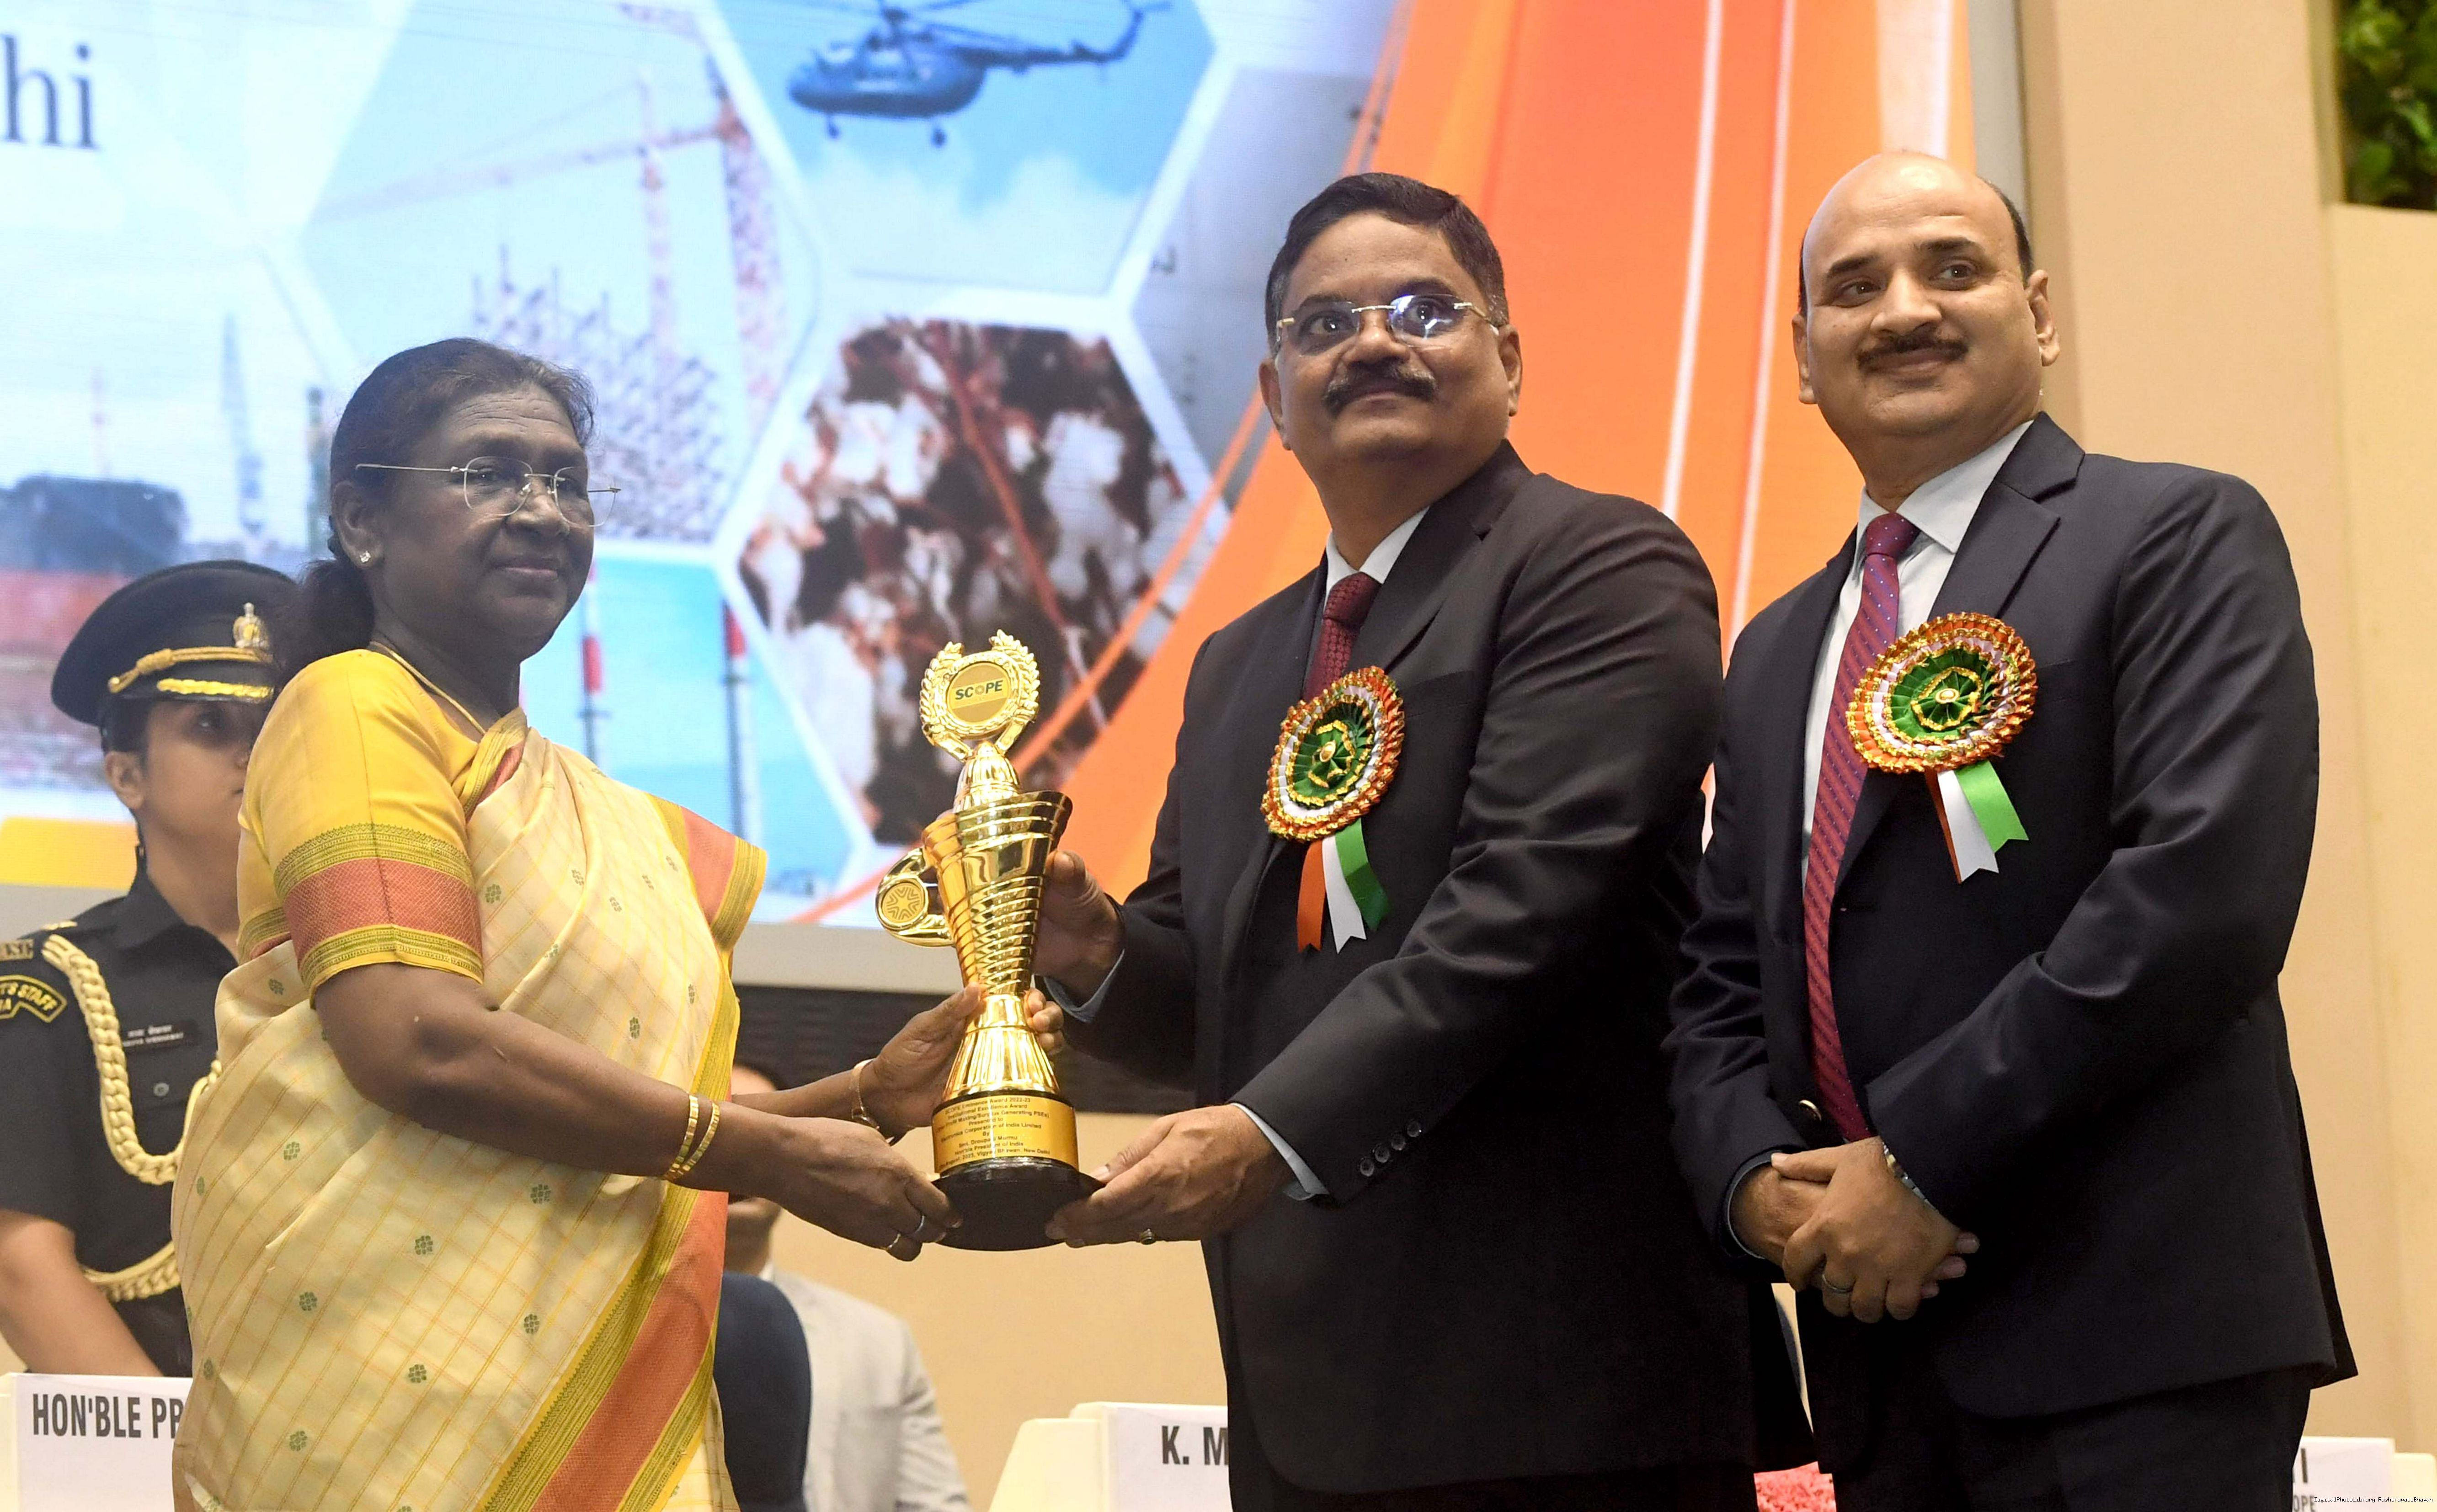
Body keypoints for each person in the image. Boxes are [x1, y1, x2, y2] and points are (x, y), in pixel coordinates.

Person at [1032, 173, 1806, 1511]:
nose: (1374, 342)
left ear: (1509, 359)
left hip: (1567, 1394)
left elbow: (1520, 914)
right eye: (1323, 324)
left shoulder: (1599, 567)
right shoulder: (1235, 664)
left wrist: (1264, 1132)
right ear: (1273, 397)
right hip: (1306, 1405)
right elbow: (1213, 1004)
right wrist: (1091, 948)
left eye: (1422, 310)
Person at [167, 338, 1013, 1512]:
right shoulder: (353, 703)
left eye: (566, 481)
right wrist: (766, 1153)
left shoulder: (601, 813)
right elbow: (417, 1041)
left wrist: (861, 1098)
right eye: (487, 473)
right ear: (363, 517)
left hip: (554, 1390)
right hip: (391, 1409)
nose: (540, 511)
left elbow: (596, 1135)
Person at [1664, 152, 2352, 1511]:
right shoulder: (1777, 647)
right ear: (1800, 355)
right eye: (1851, 287)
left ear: (2037, 313)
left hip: (2136, 1337)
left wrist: (1917, 1158)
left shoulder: (2174, 534)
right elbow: (1721, 977)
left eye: (1951, 268)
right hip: (1878, 1351)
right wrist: (1755, 1187)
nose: (1902, 310)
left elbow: (2198, 897)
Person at [0, 560, 296, 1376]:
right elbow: (21, 1264)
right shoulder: (49, 988)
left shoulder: (359, 971)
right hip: (156, 1430)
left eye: (274, 728)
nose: (251, 755)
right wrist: (177, 1450)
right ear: (127, 774)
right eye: (210, 726)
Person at [725, 1062, 972, 1512]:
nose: (741, 1164)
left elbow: (935, 1504)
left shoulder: (878, 1341)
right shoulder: (612, 1319)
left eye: (762, 1139)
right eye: (729, 1140)